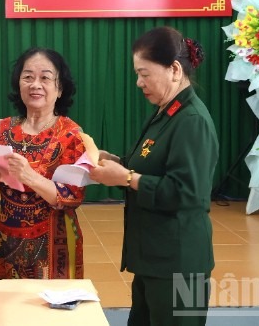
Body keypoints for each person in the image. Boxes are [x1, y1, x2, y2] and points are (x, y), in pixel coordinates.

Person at [89, 26, 219, 326]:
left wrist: (126, 178)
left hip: (179, 264)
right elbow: (150, 166)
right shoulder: (167, 112)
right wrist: (114, 162)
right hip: (154, 259)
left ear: (174, 70)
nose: (139, 82)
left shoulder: (192, 120)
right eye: (137, 74)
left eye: (144, 74)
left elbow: (187, 193)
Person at [0, 48, 95, 279]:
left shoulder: (71, 134)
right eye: (27, 77)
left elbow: (73, 197)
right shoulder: (4, 128)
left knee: (54, 303)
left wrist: (29, 177)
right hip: (8, 243)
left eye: (45, 78)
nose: (35, 85)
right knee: (9, 301)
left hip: (55, 247)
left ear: (60, 89)